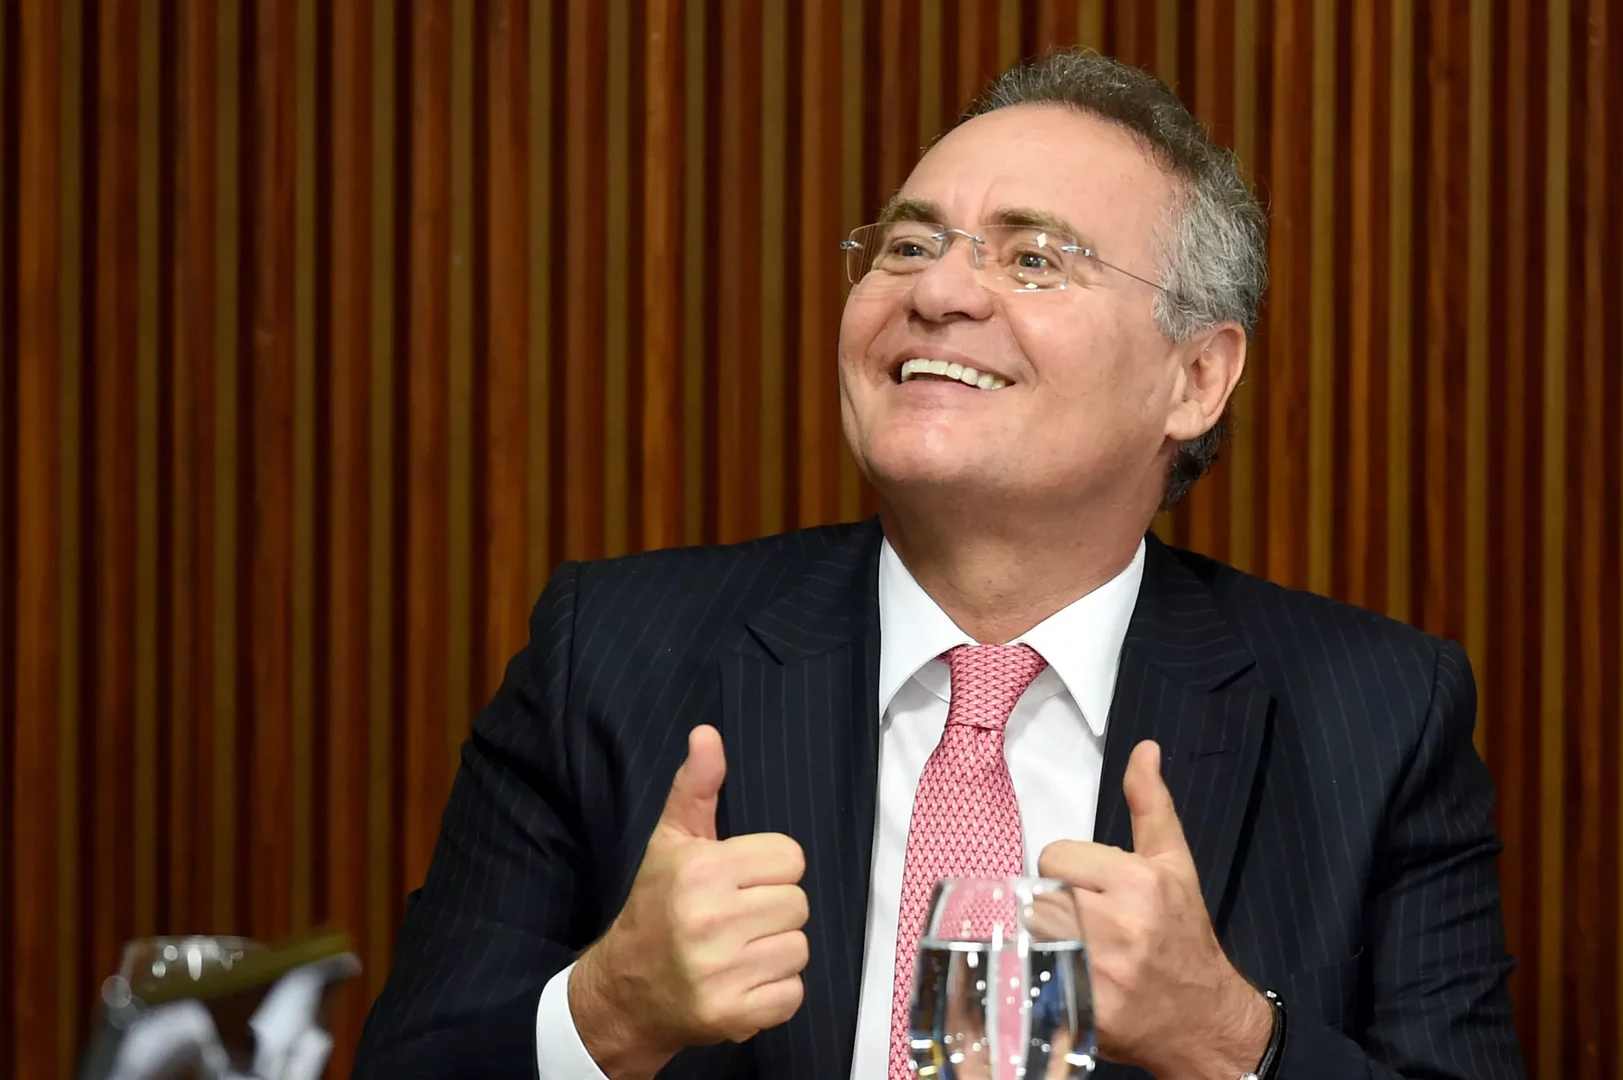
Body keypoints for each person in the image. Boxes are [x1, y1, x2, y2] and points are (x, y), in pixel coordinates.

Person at [354, 49, 1523, 1080]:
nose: (939, 291)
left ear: (1196, 377)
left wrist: (1230, 1041)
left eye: (1035, 259)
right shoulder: (607, 655)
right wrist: (607, 1015)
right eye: (908, 244)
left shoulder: (1377, 716)